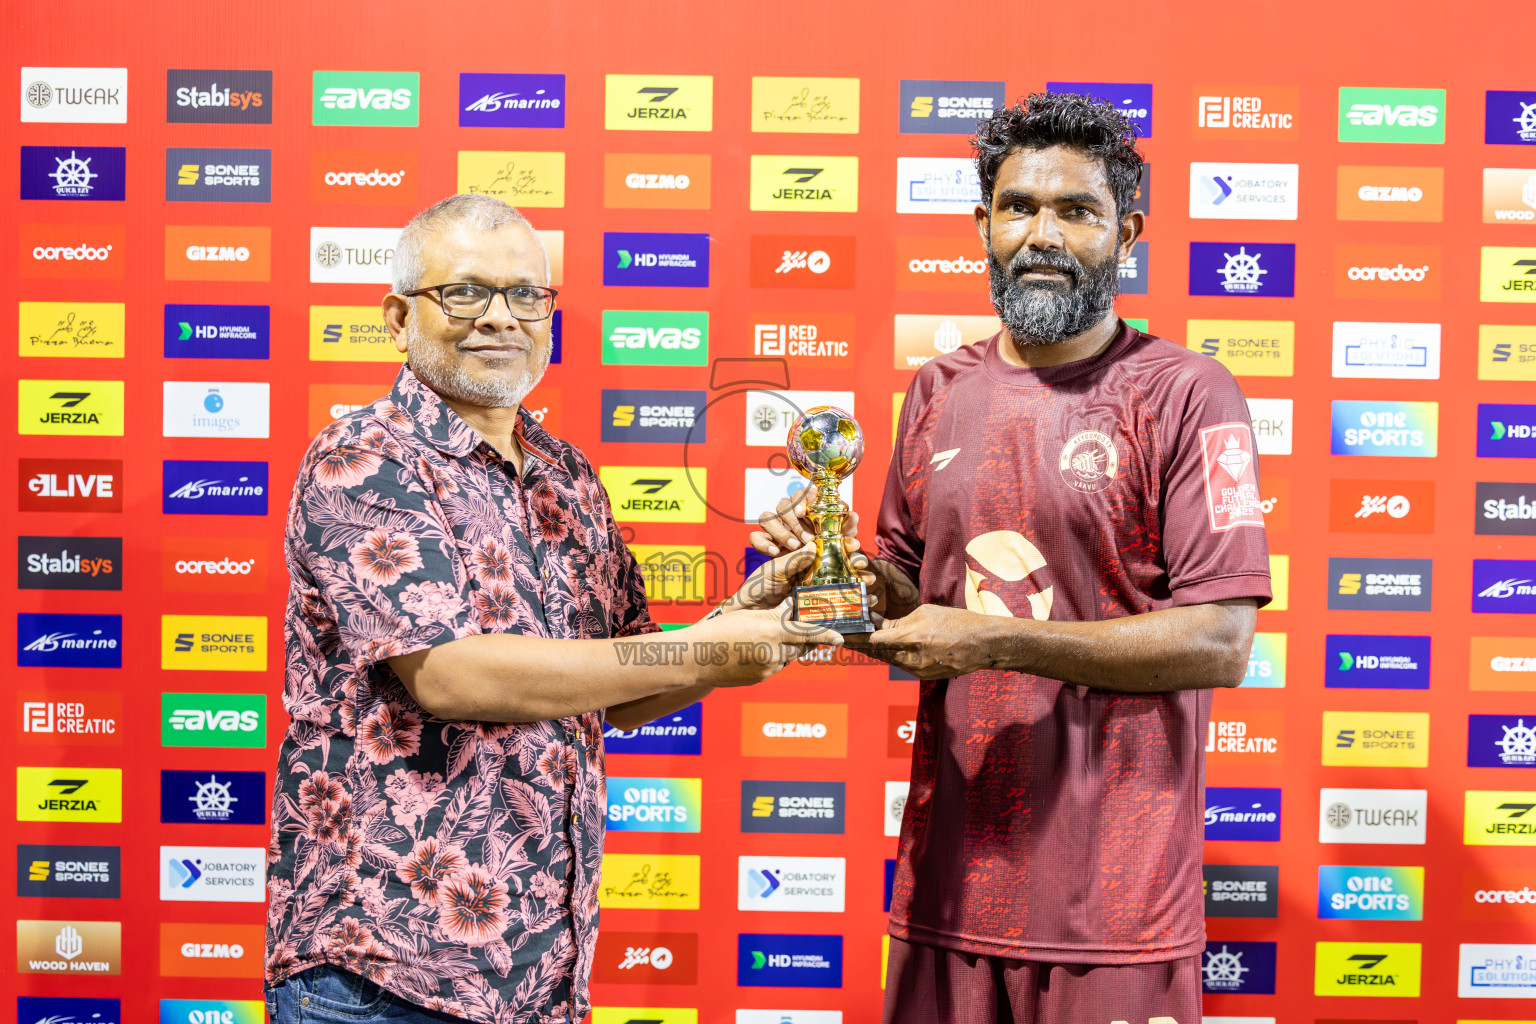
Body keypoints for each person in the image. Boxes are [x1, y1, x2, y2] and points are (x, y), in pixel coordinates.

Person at [752, 93, 1272, 1023]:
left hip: (1114, 909)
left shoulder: (1189, 392)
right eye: (1018, 207)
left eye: (1077, 210)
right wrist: (839, 567)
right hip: (947, 888)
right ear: (983, 224)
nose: (1042, 234)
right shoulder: (937, 389)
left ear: (1128, 231)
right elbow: (912, 595)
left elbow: (1219, 644)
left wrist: (992, 643)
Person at [264, 193, 843, 1024]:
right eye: (464, 293)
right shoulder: (362, 455)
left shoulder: (566, 472)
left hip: (540, 976)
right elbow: (454, 676)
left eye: (527, 295)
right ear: (398, 318)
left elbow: (628, 681)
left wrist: (743, 617)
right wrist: (710, 653)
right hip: (384, 974)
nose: (501, 318)